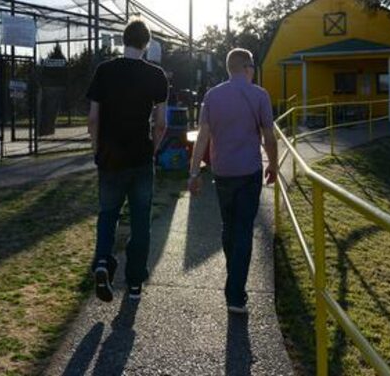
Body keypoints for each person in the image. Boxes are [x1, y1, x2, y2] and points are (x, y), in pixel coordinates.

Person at [187, 48, 277, 314]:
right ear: (247, 66)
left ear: (228, 67)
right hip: (249, 171)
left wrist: (194, 173)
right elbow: (269, 136)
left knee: (228, 226)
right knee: (244, 229)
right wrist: (272, 163)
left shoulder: (212, 96)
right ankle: (235, 295)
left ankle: (234, 277)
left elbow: (202, 137)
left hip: (222, 171)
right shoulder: (260, 95)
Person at [87, 19, 168, 302]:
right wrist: (154, 149)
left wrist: (97, 148)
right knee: (140, 220)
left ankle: (102, 264)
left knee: (108, 215)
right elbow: (160, 123)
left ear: (123, 41)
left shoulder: (104, 71)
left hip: (109, 157)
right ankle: (134, 283)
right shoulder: (156, 75)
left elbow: (93, 118)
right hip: (140, 157)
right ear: (146, 45)